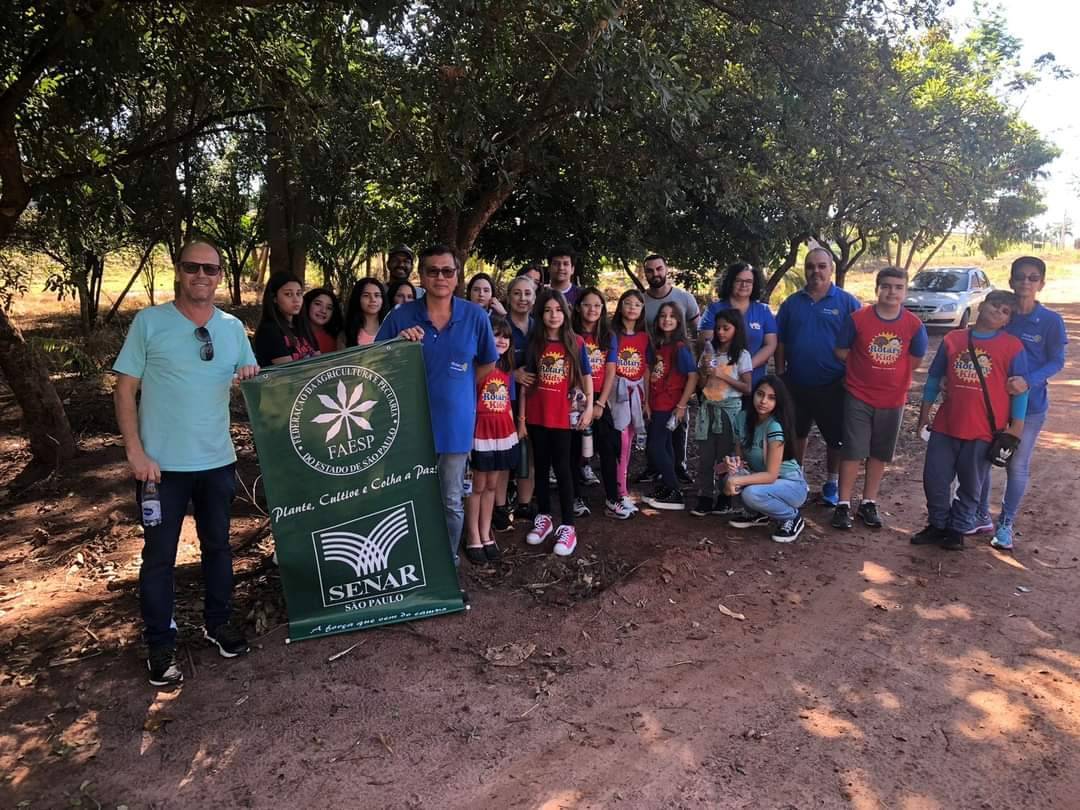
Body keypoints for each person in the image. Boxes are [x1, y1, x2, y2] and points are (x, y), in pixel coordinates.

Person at [113, 239, 259, 687]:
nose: (202, 276)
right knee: (160, 557)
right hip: (161, 468)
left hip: (216, 461)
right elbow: (124, 390)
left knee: (218, 547)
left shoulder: (233, 327)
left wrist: (249, 376)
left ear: (220, 275)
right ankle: (160, 641)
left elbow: (250, 376)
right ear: (179, 271)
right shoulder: (150, 323)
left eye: (211, 269)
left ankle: (219, 624)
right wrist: (135, 452)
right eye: (193, 267)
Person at [376, 245, 499, 565]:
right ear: (422, 276)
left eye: (448, 271)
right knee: (407, 498)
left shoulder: (474, 316)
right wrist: (398, 345)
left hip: (455, 427)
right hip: (408, 426)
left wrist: (457, 388)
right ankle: (408, 564)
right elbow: (376, 364)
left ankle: (445, 566)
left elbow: (486, 364)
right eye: (433, 271)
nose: (440, 277)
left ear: (458, 277)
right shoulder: (401, 316)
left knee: (450, 500)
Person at [914, 290, 1028, 551]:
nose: (997, 311)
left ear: (1007, 321)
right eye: (994, 304)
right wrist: (924, 414)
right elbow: (933, 379)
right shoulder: (953, 339)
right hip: (946, 425)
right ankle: (937, 524)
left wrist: (1016, 427)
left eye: (1005, 311)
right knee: (935, 478)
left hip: (985, 429)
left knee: (971, 483)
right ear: (982, 305)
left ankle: (958, 528)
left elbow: (1021, 390)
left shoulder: (1012, 347)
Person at [975, 257, 1067, 551]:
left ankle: (1005, 524)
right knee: (981, 460)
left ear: (1041, 283)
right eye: (1020, 277)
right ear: (1012, 280)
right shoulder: (1004, 314)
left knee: (1016, 464)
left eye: (1033, 277)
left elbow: (1057, 360)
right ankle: (979, 514)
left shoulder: (1051, 321)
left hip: (1030, 406)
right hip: (990, 403)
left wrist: (1029, 380)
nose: (1026, 282)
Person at [831, 267, 928, 530]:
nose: (891, 292)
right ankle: (842, 504)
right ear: (877, 288)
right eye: (886, 286)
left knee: (880, 453)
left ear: (905, 291)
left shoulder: (913, 325)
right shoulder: (858, 319)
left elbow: (916, 359)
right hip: (858, 394)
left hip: (893, 398)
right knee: (852, 450)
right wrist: (862, 365)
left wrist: (895, 371)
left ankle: (868, 502)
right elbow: (841, 350)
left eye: (898, 287)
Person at [774, 248, 860, 505]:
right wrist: (780, 374)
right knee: (797, 433)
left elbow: (860, 342)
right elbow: (780, 341)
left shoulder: (846, 302)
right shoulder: (792, 303)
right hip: (796, 382)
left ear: (831, 269)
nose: (816, 271)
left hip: (834, 384)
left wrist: (851, 376)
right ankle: (797, 480)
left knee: (835, 437)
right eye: (811, 266)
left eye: (822, 266)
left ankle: (831, 483)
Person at [521, 289, 594, 556]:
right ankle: (544, 517)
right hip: (538, 415)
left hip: (564, 417)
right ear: (541, 314)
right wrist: (522, 417)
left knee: (564, 469)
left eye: (558, 310)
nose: (554, 315)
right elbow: (527, 380)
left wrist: (588, 407)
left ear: (566, 313)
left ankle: (568, 526)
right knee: (540, 467)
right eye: (548, 310)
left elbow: (586, 376)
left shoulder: (576, 342)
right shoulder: (535, 342)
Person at [462, 316, 522, 564]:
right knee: (477, 486)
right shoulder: (477, 366)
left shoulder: (506, 370)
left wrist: (515, 430)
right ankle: (472, 534)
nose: (501, 340)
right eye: (496, 335)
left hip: (502, 432)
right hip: (480, 432)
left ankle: (487, 532)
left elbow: (507, 402)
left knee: (492, 486)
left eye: (506, 336)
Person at [724, 375, 809, 543]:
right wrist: (733, 466)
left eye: (771, 398)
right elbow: (740, 458)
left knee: (750, 492)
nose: (763, 401)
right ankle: (757, 514)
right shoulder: (742, 418)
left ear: (778, 402)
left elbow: (771, 475)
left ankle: (792, 517)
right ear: (753, 394)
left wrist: (736, 480)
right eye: (760, 394)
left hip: (790, 484)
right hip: (765, 480)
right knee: (728, 479)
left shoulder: (774, 426)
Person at [641, 253, 700, 483]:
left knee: (677, 425)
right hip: (656, 372)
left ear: (666, 269)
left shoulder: (685, 298)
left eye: (659, 269)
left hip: (677, 378)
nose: (655, 273)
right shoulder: (643, 301)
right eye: (650, 270)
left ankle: (677, 468)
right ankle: (656, 469)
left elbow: (698, 331)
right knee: (656, 430)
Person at [574, 287, 631, 519]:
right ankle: (576, 497)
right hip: (574, 401)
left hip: (599, 398)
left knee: (609, 447)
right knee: (575, 451)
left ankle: (613, 498)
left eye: (597, 305)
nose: (592, 309)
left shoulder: (608, 336)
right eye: (587, 304)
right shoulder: (571, 334)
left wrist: (600, 403)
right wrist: (581, 402)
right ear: (579, 307)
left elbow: (610, 371)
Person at [692, 309, 752, 516]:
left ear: (737, 329)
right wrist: (705, 373)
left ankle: (725, 495)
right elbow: (700, 385)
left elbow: (747, 387)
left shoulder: (742, 356)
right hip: (709, 408)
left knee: (726, 455)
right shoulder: (710, 352)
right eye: (718, 328)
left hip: (729, 411)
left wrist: (722, 375)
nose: (721, 332)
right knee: (706, 455)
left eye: (726, 328)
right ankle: (705, 494)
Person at [598, 288, 650, 513]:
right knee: (619, 443)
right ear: (620, 306)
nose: (632, 308)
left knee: (628, 443)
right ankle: (618, 491)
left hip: (635, 394)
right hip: (615, 393)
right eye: (628, 303)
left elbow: (646, 369)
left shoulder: (645, 337)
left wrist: (646, 399)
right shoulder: (611, 334)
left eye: (637, 305)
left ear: (642, 310)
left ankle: (622, 488)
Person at [642, 303, 698, 511]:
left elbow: (693, 376)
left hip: (669, 405)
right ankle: (667, 485)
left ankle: (674, 491)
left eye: (672, 316)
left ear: (679, 321)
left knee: (655, 447)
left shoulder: (680, 348)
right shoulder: (658, 345)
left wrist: (682, 405)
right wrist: (646, 401)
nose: (667, 319)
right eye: (663, 316)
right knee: (664, 446)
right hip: (656, 403)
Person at [698, 262, 777, 386]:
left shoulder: (764, 311)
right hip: (720, 383)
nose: (744, 285)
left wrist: (746, 367)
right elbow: (706, 342)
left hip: (754, 382)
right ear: (730, 282)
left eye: (749, 281)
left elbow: (770, 345)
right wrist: (727, 370)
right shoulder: (714, 309)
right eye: (738, 280)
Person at [506, 275, 537, 521]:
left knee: (531, 452)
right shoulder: (497, 325)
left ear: (534, 297)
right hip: (504, 400)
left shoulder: (542, 326)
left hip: (537, 401)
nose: (522, 298)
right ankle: (502, 503)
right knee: (506, 452)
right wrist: (511, 374)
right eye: (517, 293)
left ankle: (525, 503)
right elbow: (484, 361)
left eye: (527, 293)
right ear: (509, 297)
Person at [254, 272, 318, 366]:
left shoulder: (303, 327)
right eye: (288, 294)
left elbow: (321, 361)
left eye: (299, 294)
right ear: (274, 298)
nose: (296, 299)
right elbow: (290, 372)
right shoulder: (269, 330)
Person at [344, 277, 387, 346]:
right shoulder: (346, 333)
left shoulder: (392, 327)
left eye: (377, 295)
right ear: (357, 298)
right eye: (366, 295)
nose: (373, 300)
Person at [302, 287, 345, 353]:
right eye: (318, 304)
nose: (323, 311)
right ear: (307, 304)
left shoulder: (337, 337)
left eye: (329, 308)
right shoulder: (294, 334)